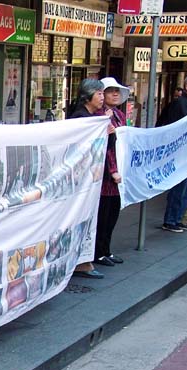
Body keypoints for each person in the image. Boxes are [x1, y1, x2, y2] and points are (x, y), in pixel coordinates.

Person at [68, 79, 110, 279]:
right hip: (82, 178)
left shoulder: (94, 118)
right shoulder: (81, 118)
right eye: (99, 94)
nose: (102, 97)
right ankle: (81, 262)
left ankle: (84, 261)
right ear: (88, 96)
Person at [158, 75, 187, 233]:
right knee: (179, 188)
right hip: (181, 154)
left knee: (186, 189)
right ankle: (171, 220)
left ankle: (177, 219)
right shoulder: (180, 104)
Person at [94, 77, 129, 267]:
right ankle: (98, 252)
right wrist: (113, 170)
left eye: (117, 91)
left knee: (112, 214)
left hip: (118, 173)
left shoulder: (119, 115)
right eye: (110, 91)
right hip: (105, 176)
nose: (115, 94)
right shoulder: (100, 116)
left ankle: (106, 250)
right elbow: (106, 147)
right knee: (103, 215)